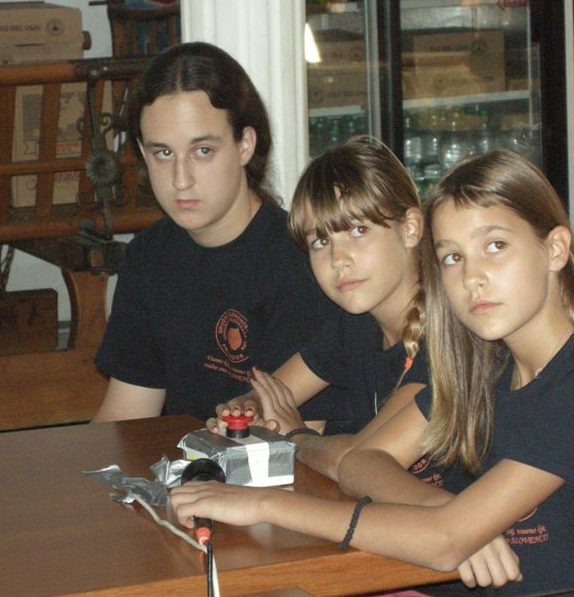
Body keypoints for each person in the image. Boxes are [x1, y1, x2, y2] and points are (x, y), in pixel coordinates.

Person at [171, 149, 574, 595]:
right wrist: (444, 511)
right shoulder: (484, 364)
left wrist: (263, 505)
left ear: (554, 248)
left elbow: (445, 542)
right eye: (453, 257)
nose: (473, 276)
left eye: (495, 245)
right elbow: (362, 460)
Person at [208, 137, 521, 591]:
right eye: (320, 241)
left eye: (358, 230)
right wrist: (238, 413)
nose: (339, 259)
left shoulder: (451, 338)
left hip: (454, 572)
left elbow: (353, 461)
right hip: (393, 553)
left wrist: (296, 437)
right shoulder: (354, 324)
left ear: (410, 228)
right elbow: (270, 395)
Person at [92, 42, 341, 423]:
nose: (181, 179)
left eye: (203, 151)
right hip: (180, 459)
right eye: (163, 153)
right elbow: (127, 417)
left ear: (245, 145)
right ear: (142, 152)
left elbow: (304, 438)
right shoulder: (148, 255)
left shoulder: (300, 263)